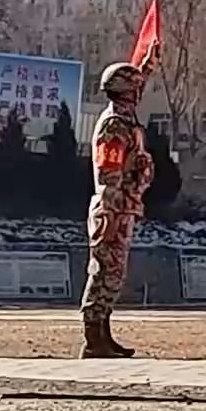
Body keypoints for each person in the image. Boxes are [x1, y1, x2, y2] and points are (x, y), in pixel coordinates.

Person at [78, 59, 150, 359]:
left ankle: (103, 334)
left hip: (124, 206)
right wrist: (109, 213)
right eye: (135, 86)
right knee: (104, 272)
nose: (139, 92)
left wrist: (145, 66)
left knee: (114, 273)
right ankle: (93, 338)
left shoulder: (126, 121)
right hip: (112, 207)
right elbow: (109, 171)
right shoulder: (114, 125)